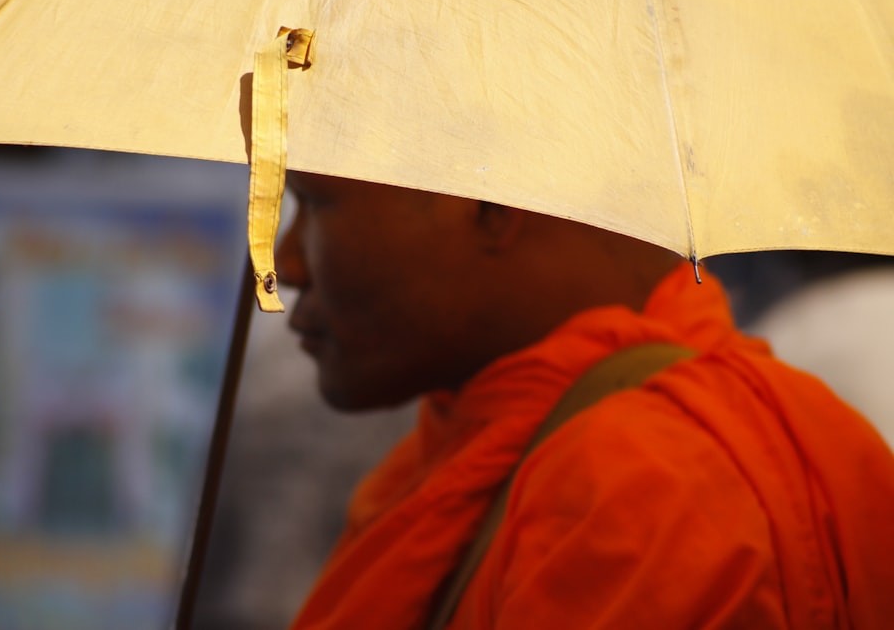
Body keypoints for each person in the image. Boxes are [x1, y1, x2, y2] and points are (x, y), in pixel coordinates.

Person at [275, 171, 894, 629]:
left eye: (314, 203)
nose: (286, 263)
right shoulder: (500, 433)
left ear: (490, 205)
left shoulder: (649, 476)